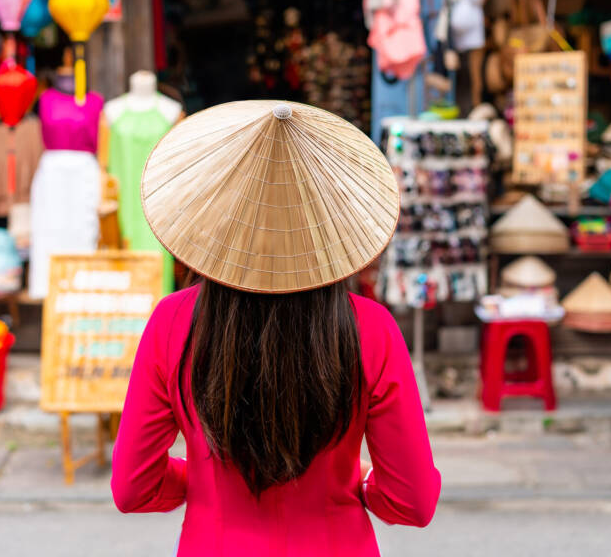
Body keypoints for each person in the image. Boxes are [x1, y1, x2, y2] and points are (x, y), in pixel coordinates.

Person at [111, 101, 441, 556]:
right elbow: (413, 501)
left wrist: (201, 482)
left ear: (213, 215)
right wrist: (363, 485)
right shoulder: (372, 329)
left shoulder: (173, 320)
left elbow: (133, 487)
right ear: (331, 219)